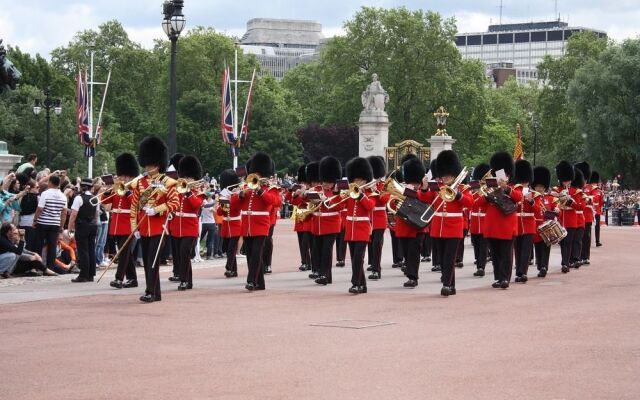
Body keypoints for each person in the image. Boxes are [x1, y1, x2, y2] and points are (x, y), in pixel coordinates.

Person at [130, 136, 179, 303]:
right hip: (143, 228)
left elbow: (174, 203)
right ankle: (156, 293)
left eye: (150, 164)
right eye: (146, 164)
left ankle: (150, 291)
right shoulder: (140, 183)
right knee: (148, 262)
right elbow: (134, 207)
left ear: (158, 164)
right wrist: (134, 227)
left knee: (152, 261)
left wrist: (156, 209)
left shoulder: (168, 182)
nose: (148, 167)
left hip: (158, 227)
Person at [420, 150, 473, 296]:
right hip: (438, 227)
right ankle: (452, 285)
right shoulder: (437, 188)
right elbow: (424, 198)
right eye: (443, 176)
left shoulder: (462, 188)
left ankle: (447, 285)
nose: (445, 178)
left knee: (449, 258)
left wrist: (458, 195)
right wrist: (424, 188)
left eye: (448, 176)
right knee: (443, 258)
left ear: (454, 174)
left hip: (454, 227)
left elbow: (470, 202)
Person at [234, 152, 280, 291]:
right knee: (250, 255)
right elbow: (235, 206)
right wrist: (240, 196)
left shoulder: (270, 188)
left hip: (261, 224)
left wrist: (260, 190)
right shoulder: (246, 188)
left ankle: (251, 281)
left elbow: (275, 202)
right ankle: (260, 283)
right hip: (247, 225)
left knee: (256, 254)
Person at [477, 152, 522, 289]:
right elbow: (478, 203)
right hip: (492, 225)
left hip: (507, 225)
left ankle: (505, 279)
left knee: (506, 254)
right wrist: (487, 195)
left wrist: (506, 188)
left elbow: (519, 198)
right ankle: (498, 278)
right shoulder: (490, 187)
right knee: (496, 254)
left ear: (508, 175)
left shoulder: (513, 187)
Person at [103, 153, 139, 289]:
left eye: (125, 176)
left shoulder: (136, 187)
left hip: (129, 223)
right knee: (126, 253)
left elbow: (136, 204)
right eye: (122, 176)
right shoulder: (118, 188)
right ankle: (133, 279)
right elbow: (105, 202)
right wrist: (107, 191)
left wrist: (127, 192)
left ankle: (119, 279)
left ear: (131, 176)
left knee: (123, 252)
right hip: (117, 224)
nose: (123, 178)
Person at [169, 155, 205, 291]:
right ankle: (187, 281)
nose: (186, 180)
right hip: (177, 227)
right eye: (185, 177)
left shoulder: (198, 192)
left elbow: (196, 205)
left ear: (194, 179)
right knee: (180, 255)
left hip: (190, 227)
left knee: (184, 253)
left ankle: (184, 280)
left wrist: (189, 193)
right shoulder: (177, 191)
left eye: (189, 178)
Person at [344, 157, 375, 294]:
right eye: (355, 180)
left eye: (360, 180)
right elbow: (338, 205)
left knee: (358, 258)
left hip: (362, 229)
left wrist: (361, 196)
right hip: (350, 229)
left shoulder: (370, 193)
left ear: (365, 180)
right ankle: (363, 285)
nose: (357, 182)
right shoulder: (350, 193)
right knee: (354, 258)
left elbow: (370, 207)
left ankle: (355, 284)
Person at [312, 156, 344, 285]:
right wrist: (300, 194)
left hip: (332, 225)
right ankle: (324, 275)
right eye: (324, 181)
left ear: (334, 181)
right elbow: (297, 202)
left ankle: (324, 275)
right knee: (317, 251)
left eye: (328, 182)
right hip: (317, 225)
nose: (325, 184)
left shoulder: (339, 192)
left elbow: (342, 206)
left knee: (326, 251)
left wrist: (334, 196)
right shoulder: (316, 190)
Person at [395, 156, 426, 288]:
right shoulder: (401, 189)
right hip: (404, 225)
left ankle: (413, 277)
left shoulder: (423, 190)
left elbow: (427, 200)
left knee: (414, 252)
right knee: (407, 252)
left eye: (416, 183)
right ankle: (410, 272)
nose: (414, 185)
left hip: (417, 226)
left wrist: (422, 189)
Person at [513, 160, 541, 283]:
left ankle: (522, 272)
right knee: (517, 249)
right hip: (517, 223)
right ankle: (518, 271)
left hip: (529, 224)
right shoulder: (514, 191)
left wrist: (531, 202)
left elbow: (538, 211)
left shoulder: (534, 194)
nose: (524, 182)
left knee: (526, 250)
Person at [33, 174, 68, 273]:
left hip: (43, 222)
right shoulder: (63, 196)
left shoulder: (45, 194)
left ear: (50, 183)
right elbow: (64, 212)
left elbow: (40, 209)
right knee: (52, 246)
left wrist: (35, 220)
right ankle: (50, 268)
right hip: (55, 223)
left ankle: (38, 267)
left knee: (38, 245)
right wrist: (61, 225)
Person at [553, 161, 583, 273]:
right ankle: (566, 261)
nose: (566, 182)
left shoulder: (576, 191)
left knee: (568, 242)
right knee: (562, 243)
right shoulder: (557, 189)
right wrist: (559, 196)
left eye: (568, 180)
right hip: (561, 219)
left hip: (571, 220)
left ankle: (565, 263)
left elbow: (579, 206)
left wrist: (570, 200)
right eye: (564, 180)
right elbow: (553, 198)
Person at [67, 178, 98, 282]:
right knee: (91, 249)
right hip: (93, 225)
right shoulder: (95, 198)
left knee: (83, 250)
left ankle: (83, 274)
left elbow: (73, 214)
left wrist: (69, 227)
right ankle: (91, 274)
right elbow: (96, 214)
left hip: (82, 226)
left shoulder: (78, 198)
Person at [366, 156, 390, 280]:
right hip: (369, 218)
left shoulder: (384, 185)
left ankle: (376, 269)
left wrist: (377, 191)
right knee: (370, 243)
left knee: (376, 243)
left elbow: (385, 200)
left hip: (380, 218)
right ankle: (372, 263)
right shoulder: (366, 186)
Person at [218, 169, 242, 278]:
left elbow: (236, 207)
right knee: (228, 249)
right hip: (226, 225)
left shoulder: (237, 194)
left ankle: (228, 267)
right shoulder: (224, 193)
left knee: (232, 248)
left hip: (235, 224)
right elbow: (221, 211)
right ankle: (234, 270)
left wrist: (232, 197)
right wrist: (223, 201)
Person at [532, 166, 555, 278]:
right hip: (536, 226)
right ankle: (540, 265)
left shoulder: (549, 198)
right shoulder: (532, 198)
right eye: (537, 186)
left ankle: (544, 267)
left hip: (547, 226)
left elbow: (555, 210)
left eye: (541, 186)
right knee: (538, 247)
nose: (539, 188)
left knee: (546, 247)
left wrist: (557, 210)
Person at [289, 165, 313, 271]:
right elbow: (294, 202)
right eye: (302, 182)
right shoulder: (300, 188)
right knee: (301, 242)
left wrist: (304, 193)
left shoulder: (313, 190)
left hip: (310, 218)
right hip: (300, 218)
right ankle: (304, 262)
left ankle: (311, 262)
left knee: (307, 243)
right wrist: (295, 195)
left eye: (305, 182)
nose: (303, 184)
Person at [470, 163, 490, 277]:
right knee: (476, 246)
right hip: (474, 223)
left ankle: (481, 267)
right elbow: (471, 204)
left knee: (483, 246)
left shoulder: (487, 192)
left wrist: (484, 194)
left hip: (484, 222)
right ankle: (479, 263)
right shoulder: (473, 193)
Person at [575, 162, 594, 265]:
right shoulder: (576, 188)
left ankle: (585, 256)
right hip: (577, 216)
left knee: (586, 237)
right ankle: (577, 256)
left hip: (587, 215)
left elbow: (594, 199)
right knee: (578, 238)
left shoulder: (590, 188)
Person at [200, 192, 217, 260]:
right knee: (209, 240)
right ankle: (208, 255)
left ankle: (206, 254)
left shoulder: (204, 201)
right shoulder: (207, 202)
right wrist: (214, 206)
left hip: (205, 222)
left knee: (201, 238)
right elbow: (214, 211)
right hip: (209, 223)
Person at [589, 171, 604, 247]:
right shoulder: (588, 189)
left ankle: (597, 240)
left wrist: (600, 209)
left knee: (597, 226)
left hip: (597, 211)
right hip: (590, 211)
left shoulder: (599, 191)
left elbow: (601, 202)